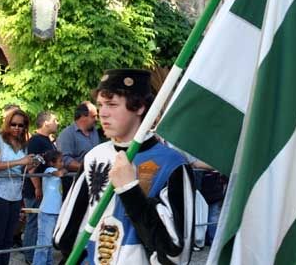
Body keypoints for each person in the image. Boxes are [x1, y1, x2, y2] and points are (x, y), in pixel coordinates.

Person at [54, 69, 195, 264]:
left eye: (112, 104)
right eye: (100, 105)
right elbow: (67, 234)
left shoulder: (172, 164)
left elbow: (174, 253)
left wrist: (130, 190)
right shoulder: (94, 157)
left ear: (139, 107)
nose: (102, 113)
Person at [0, 109, 35, 265]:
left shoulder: (23, 144)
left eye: (21, 125)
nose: (17, 128)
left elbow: (22, 169)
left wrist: (31, 164)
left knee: (8, 239)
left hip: (16, 194)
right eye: (13, 124)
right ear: (7, 123)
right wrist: (20, 162)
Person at [22, 111, 58, 264]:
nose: (57, 123)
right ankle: (30, 256)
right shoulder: (36, 141)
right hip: (34, 189)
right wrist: (37, 187)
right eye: (55, 120)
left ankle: (38, 255)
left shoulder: (46, 140)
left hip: (44, 188)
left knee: (39, 222)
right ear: (46, 123)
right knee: (34, 222)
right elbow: (31, 167)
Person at [57, 101, 100, 198]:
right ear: (83, 117)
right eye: (93, 116)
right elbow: (64, 160)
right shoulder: (67, 134)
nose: (96, 119)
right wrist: (87, 167)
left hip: (94, 182)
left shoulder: (94, 132)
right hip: (74, 183)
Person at [33, 150, 67, 265]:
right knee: (43, 243)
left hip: (55, 211)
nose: (62, 163)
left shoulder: (56, 170)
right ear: (52, 163)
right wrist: (63, 171)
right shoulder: (49, 170)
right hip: (47, 212)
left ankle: (48, 263)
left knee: (49, 243)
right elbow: (58, 173)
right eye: (60, 161)